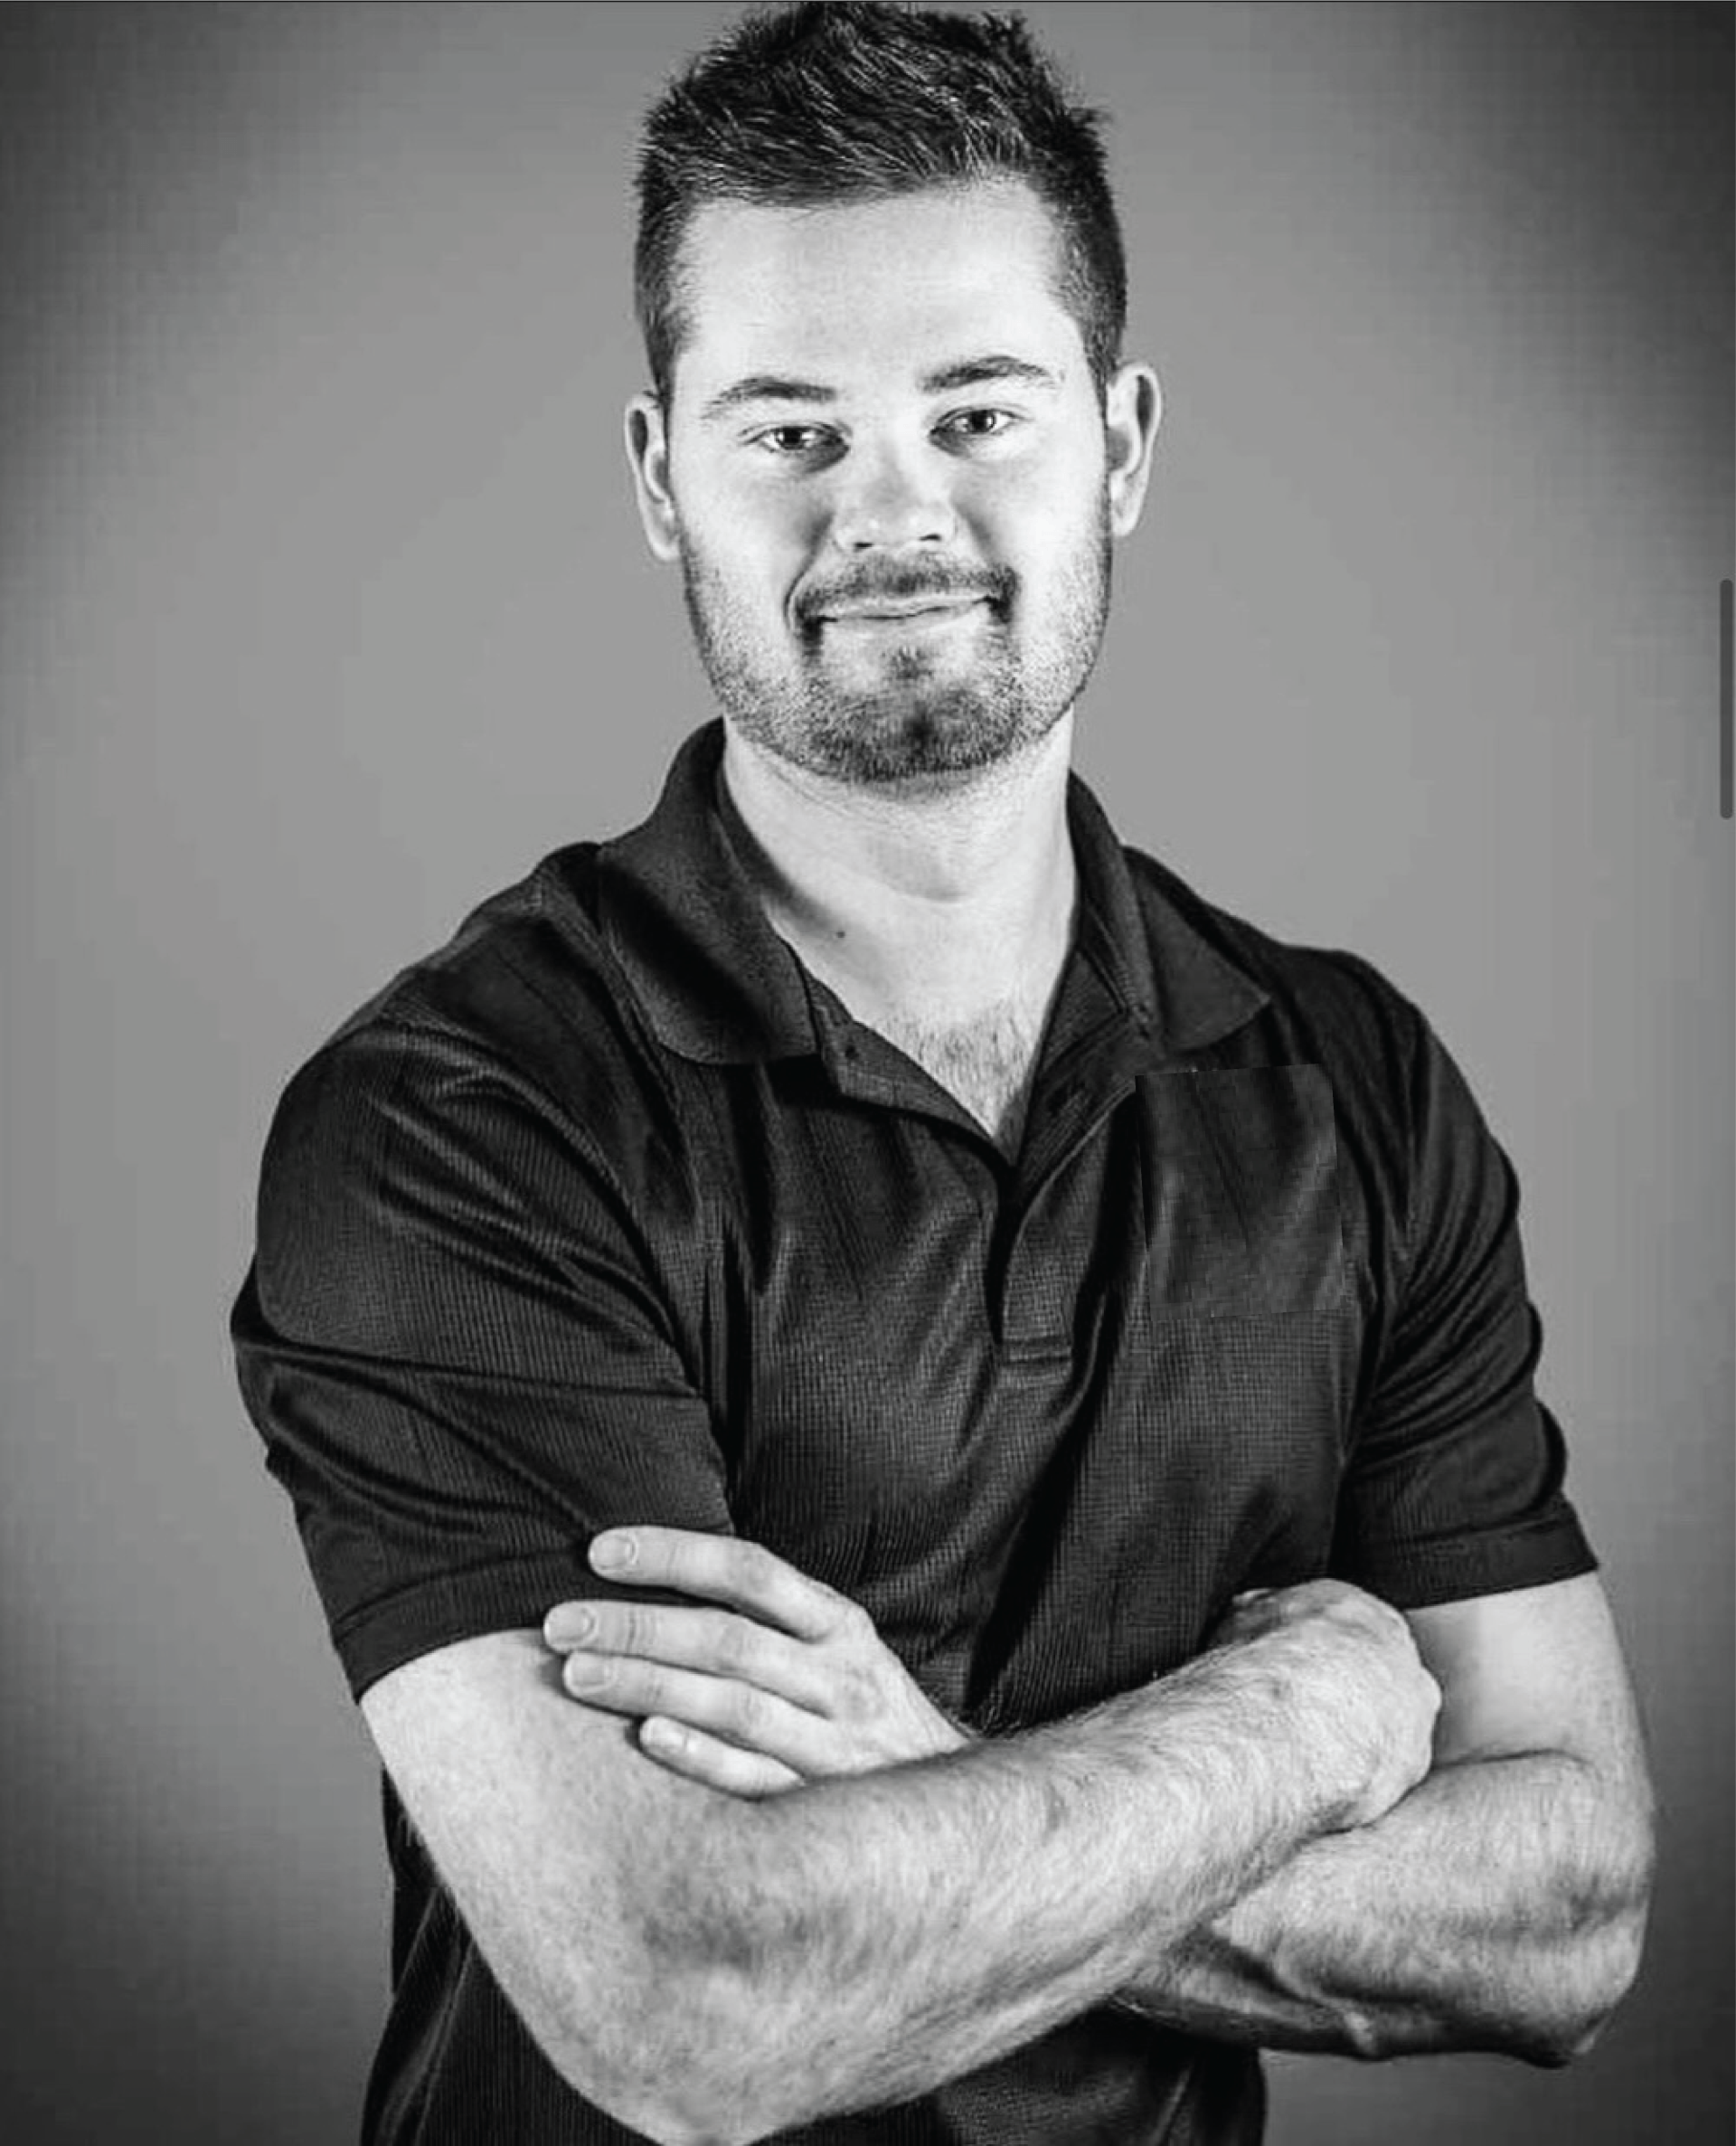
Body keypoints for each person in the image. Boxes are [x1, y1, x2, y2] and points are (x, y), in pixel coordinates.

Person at [231, 5, 1656, 2141]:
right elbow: (688, 2001)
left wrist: (910, 1793)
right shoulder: (461, 1119)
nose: (892, 510)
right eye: (787, 430)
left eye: (978, 409)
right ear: (658, 481)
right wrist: (1289, 1724)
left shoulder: (1355, 1085)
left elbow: (1574, 1910)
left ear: (1127, 441)